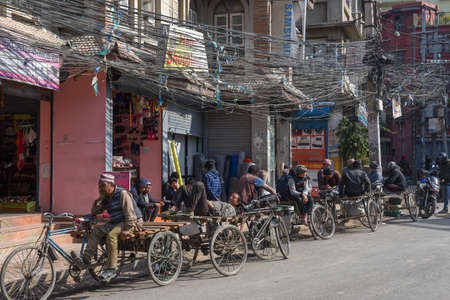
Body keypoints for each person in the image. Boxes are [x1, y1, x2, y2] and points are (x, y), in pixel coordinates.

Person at [84, 173, 138, 282]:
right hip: (114, 222)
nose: (100, 188)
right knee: (96, 230)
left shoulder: (122, 193)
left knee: (111, 236)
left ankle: (112, 269)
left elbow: (129, 213)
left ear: (111, 185)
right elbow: (95, 212)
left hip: (127, 221)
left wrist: (128, 229)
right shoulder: (106, 196)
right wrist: (99, 199)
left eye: (102, 185)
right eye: (99, 186)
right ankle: (86, 258)